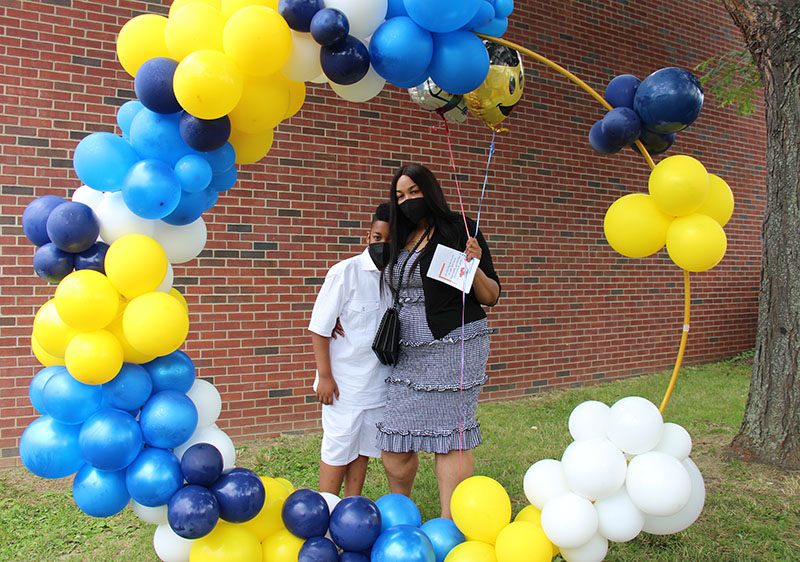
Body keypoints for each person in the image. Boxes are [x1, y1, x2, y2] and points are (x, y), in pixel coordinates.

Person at [377, 163, 501, 518]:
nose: (407, 201)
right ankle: (402, 518)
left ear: (429, 191)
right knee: (396, 443)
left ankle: (451, 524)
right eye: (400, 195)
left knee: (450, 438)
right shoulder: (398, 235)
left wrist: (473, 265)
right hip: (407, 351)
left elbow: (491, 295)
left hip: (454, 344)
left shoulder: (457, 227)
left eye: (414, 192)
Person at [308, 203, 393, 497]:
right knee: (337, 448)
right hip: (343, 386)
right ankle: (328, 509)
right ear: (367, 237)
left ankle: (352, 505)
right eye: (378, 238)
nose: (383, 245)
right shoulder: (345, 273)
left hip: (378, 385)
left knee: (363, 448)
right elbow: (319, 329)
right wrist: (325, 377)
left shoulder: (395, 279)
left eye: (390, 240)